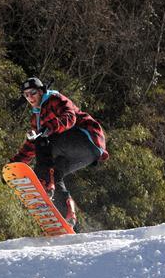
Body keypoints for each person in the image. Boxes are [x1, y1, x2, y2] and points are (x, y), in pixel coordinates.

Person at [9, 77, 108, 227]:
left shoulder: (54, 98)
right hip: (86, 156)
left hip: (86, 138)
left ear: (41, 91)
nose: (30, 97)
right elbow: (31, 146)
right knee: (55, 173)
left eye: (33, 93)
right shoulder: (35, 118)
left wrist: (49, 128)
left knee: (43, 141)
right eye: (26, 95)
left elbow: (69, 117)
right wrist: (13, 166)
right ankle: (68, 215)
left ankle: (44, 182)